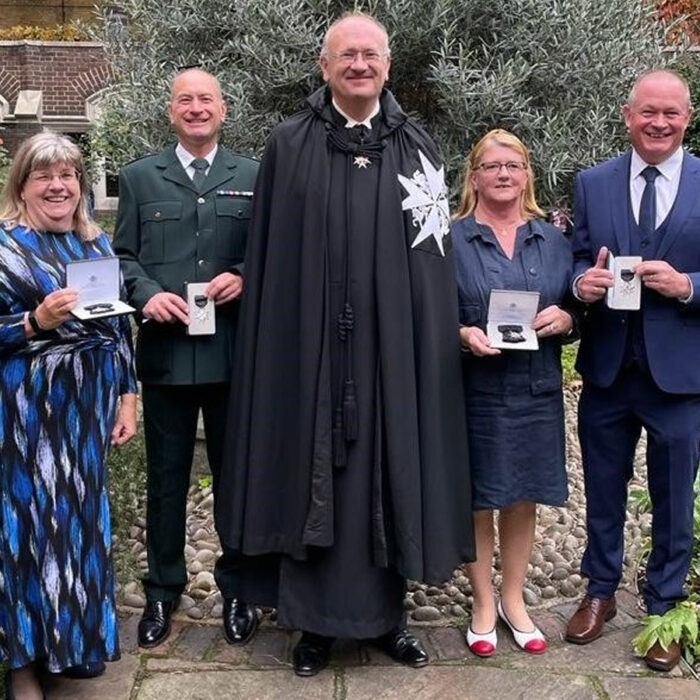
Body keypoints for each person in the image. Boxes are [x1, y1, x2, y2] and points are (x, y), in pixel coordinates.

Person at [216, 12, 474, 677]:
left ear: (387, 66)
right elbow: (271, 255)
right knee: (313, 474)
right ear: (325, 66)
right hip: (310, 354)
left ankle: (389, 621)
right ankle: (313, 630)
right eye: (347, 56)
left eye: (371, 55)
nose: (359, 65)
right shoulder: (289, 143)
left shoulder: (419, 148)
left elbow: (432, 262)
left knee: (393, 474)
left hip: (391, 356)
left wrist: (423, 344)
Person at [113, 68, 259, 649]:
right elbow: (122, 257)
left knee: (237, 480)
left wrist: (244, 277)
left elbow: (275, 251)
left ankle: (239, 588)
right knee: (167, 480)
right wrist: (148, 294)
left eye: (206, 100)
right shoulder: (140, 177)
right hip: (169, 354)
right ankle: (161, 592)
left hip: (233, 355)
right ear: (170, 112)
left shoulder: (252, 174)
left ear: (223, 110)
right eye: (185, 101)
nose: (196, 109)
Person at [566, 69, 700, 672]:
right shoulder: (593, 184)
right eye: (648, 112)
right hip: (608, 368)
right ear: (628, 116)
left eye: (671, 113)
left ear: (687, 118)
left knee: (673, 497)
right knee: (600, 489)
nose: (659, 123)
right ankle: (600, 592)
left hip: (681, 374)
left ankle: (664, 607)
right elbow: (571, 261)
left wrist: (688, 285)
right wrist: (581, 284)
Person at [0, 131, 137, 698]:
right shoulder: (5, 247)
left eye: (69, 176)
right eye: (44, 176)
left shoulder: (95, 244)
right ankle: (23, 663)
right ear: (23, 186)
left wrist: (127, 397)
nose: (58, 186)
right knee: (28, 532)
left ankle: (69, 645)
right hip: (26, 417)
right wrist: (34, 322)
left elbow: (119, 328)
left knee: (78, 528)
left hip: (85, 416)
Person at [452, 129, 575, 658]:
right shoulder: (450, 238)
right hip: (473, 387)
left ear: (527, 176)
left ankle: (514, 600)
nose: (504, 174)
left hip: (535, 385)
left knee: (523, 494)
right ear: (474, 176)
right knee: (478, 495)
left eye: (515, 165)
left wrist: (567, 316)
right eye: (493, 165)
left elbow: (575, 306)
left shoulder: (552, 239)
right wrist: (459, 333)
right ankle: (482, 602)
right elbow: (428, 310)